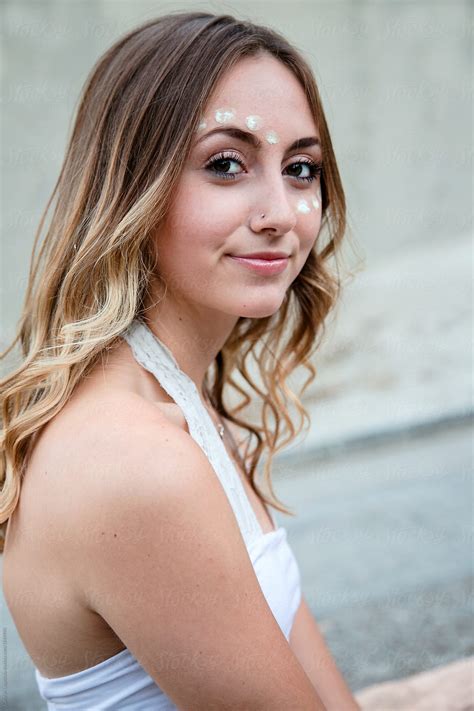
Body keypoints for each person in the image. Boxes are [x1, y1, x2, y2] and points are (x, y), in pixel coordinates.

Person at [0, 11, 361, 710]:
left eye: (301, 168)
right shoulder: (137, 460)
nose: (281, 212)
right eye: (226, 163)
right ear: (132, 187)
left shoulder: (177, 405)